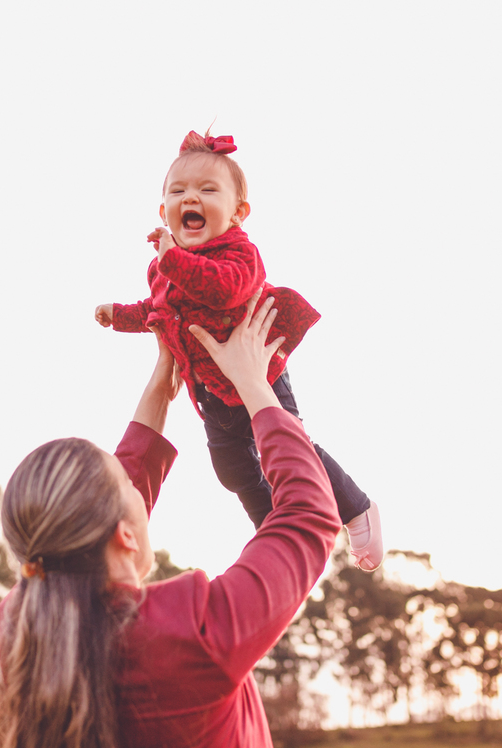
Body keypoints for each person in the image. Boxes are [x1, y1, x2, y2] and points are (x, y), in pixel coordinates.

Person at [0, 294, 342, 748]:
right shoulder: (194, 632)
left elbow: (90, 520)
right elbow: (308, 517)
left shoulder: (20, 628)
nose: (137, 482)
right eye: (129, 486)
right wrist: (256, 388)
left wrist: (162, 380)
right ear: (124, 534)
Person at [94, 129, 382, 570]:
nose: (191, 198)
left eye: (208, 190)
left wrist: (173, 259)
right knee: (229, 468)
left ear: (237, 214)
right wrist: (119, 316)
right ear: (163, 210)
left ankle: (357, 508)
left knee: (289, 447)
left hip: (258, 374)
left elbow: (224, 290)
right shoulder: (161, 267)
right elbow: (156, 309)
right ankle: (273, 528)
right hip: (210, 391)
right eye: (179, 191)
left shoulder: (239, 252)